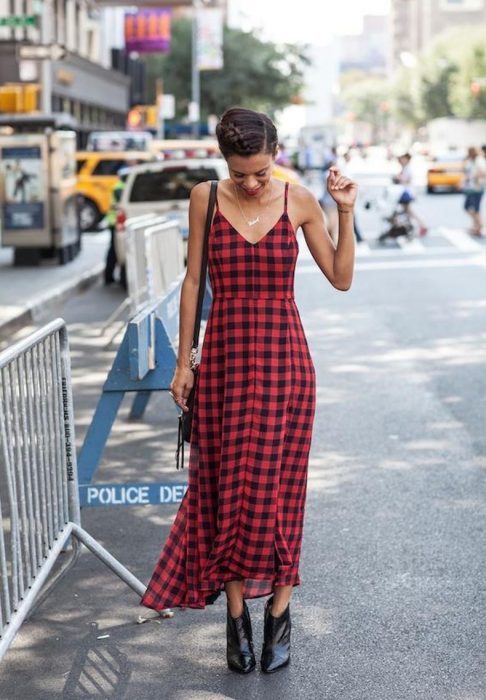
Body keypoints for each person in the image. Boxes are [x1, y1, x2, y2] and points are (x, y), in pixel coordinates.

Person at [140, 107, 356, 674]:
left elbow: (340, 276)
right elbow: (191, 283)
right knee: (227, 491)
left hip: (286, 363)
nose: (254, 183)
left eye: (262, 170)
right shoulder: (205, 199)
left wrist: (346, 210)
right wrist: (185, 362)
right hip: (226, 362)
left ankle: (280, 613)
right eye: (242, 174)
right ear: (225, 163)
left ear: (276, 155)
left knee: (280, 489)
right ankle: (235, 616)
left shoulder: (300, 199)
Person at [104, 167, 130, 285]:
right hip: (115, 223)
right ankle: (108, 276)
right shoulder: (119, 187)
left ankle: (111, 276)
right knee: (114, 250)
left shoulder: (122, 186)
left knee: (115, 250)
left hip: (117, 223)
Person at [393, 153, 428, 236]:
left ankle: (422, 225)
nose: (401, 161)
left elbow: (407, 180)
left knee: (408, 211)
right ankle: (412, 227)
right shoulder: (404, 168)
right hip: (404, 192)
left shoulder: (408, 169)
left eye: (402, 159)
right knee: (407, 211)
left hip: (407, 193)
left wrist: (399, 177)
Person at [463, 146, 486, 237]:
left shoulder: (479, 160)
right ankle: (476, 225)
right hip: (470, 188)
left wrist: (474, 176)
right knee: (467, 207)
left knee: (475, 208)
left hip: (477, 188)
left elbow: (483, 172)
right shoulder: (471, 160)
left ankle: (479, 227)